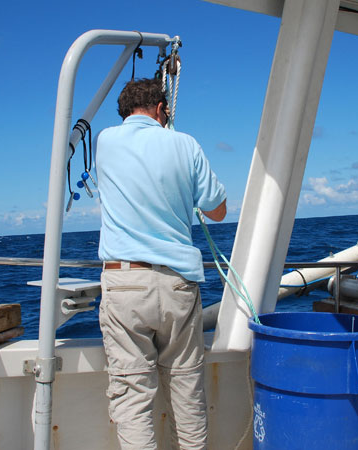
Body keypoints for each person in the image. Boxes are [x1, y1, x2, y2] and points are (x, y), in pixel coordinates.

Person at [95, 77, 227, 450]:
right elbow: (217, 210)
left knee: (132, 397)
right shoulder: (184, 144)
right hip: (177, 285)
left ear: (124, 112)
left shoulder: (105, 141)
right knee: (187, 391)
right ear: (161, 109)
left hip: (125, 282)